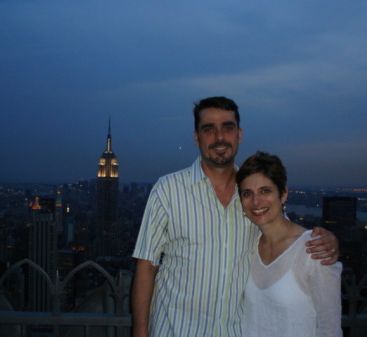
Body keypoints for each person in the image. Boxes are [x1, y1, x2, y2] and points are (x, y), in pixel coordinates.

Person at [131, 96, 339, 337]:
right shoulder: (168, 190)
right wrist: (140, 332)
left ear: (239, 134)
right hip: (176, 330)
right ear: (196, 138)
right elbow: (146, 266)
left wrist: (327, 239)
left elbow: (284, 233)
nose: (219, 138)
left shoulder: (250, 197)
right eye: (209, 129)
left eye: (227, 128)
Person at [236, 151, 342, 337]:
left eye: (265, 191)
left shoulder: (312, 249)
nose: (256, 201)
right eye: (247, 193)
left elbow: (330, 329)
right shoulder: (247, 245)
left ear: (283, 194)